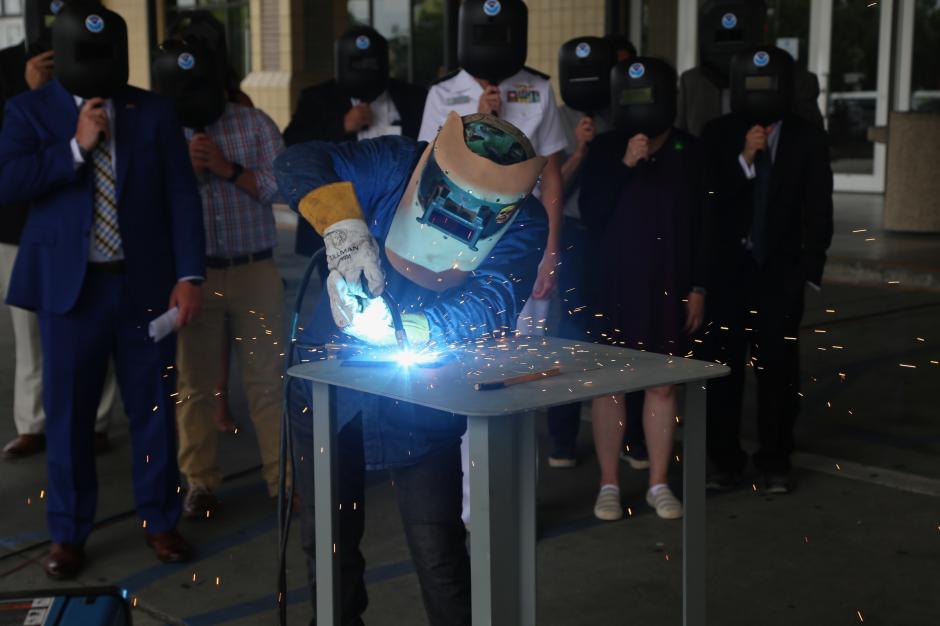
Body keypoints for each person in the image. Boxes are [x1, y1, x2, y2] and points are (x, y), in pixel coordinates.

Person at [275, 111, 547, 625]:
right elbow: (298, 161)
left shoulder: (526, 220)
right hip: (328, 384)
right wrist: (344, 228)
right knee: (329, 549)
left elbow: (493, 302)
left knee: (440, 552)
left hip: (423, 398)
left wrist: (410, 331)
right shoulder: (396, 163)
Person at [0, 2, 204, 578]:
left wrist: (189, 276)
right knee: (67, 419)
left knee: (153, 412)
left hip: (144, 289)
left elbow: (181, 198)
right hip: (71, 295)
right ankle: (67, 533)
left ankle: (161, 521)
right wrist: (75, 147)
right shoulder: (29, 110)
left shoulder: (154, 110)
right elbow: (8, 181)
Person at [419, 0, 565, 524]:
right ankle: (471, 511)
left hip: (521, 252)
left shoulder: (539, 89)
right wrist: (483, 119)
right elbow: (430, 170)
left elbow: (550, 176)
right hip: (463, 253)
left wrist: (549, 253)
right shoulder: (444, 94)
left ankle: (521, 506)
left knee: (524, 382)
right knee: (470, 378)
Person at [152, 40, 288, 518]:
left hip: (255, 268)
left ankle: (281, 481)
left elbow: (282, 186)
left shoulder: (252, 123)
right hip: (195, 278)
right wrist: (181, 173)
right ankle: (200, 485)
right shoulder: (160, 128)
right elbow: (145, 201)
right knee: (192, 386)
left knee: (269, 381)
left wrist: (226, 169)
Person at [580, 57, 710, 521]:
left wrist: (698, 286)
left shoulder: (688, 150)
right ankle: (609, 483)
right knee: (609, 386)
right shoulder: (606, 149)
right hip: (613, 284)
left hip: (670, 284)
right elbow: (591, 214)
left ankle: (658, 482)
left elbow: (702, 224)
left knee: (662, 386)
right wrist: (624, 164)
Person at [701, 46, 833, 494]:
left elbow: (818, 207)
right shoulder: (717, 134)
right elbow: (710, 202)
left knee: (778, 369)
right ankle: (725, 461)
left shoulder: (807, 137)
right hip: (729, 274)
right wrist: (745, 160)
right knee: (723, 369)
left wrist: (809, 269)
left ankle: (776, 459)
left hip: (780, 274)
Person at [0, 2, 116, 460]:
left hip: (83, 217)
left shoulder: (96, 55)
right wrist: (29, 91)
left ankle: (99, 421)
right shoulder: (7, 66)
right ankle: (33, 423)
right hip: (18, 223)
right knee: (29, 329)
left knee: (96, 321)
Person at [547, 34, 640, 468]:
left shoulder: (625, 117)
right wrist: (583, 148)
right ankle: (562, 438)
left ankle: (630, 436)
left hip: (617, 237)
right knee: (569, 334)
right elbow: (554, 187)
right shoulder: (559, 119)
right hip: (573, 234)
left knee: (622, 334)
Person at [283, 25, 427, 261]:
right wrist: (341, 126)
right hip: (336, 224)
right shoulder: (316, 98)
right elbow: (294, 148)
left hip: (401, 220)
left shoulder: (413, 97)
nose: (364, 70)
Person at [676, 0, 823, 137]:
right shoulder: (692, 83)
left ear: (762, 29)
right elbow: (681, 144)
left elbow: (814, 146)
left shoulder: (794, 80)